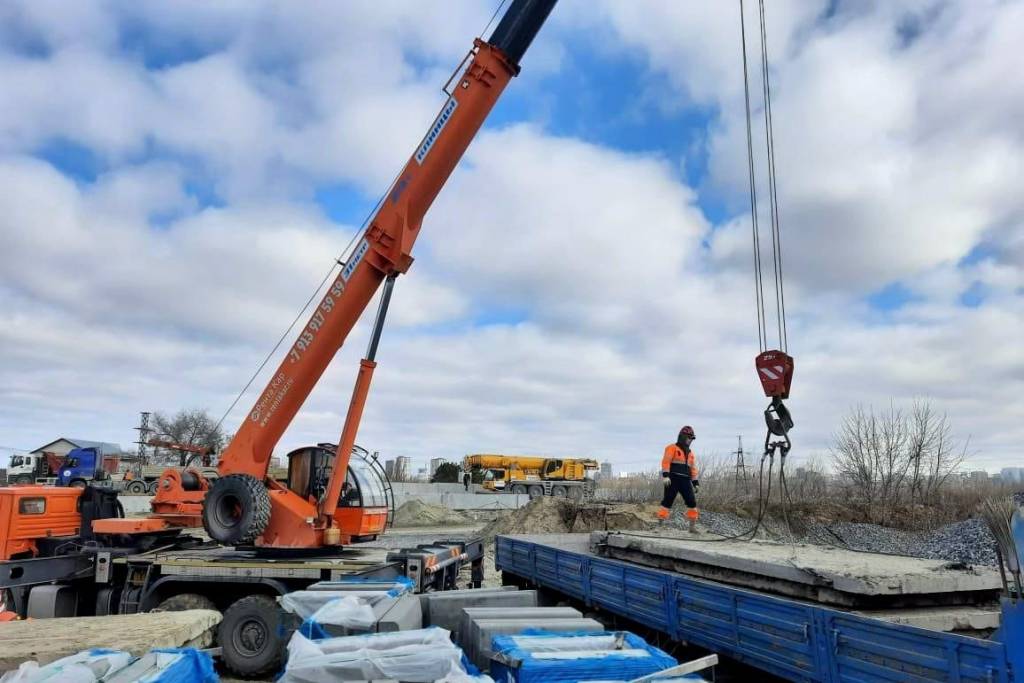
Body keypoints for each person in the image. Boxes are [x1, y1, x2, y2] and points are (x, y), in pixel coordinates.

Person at [657, 425, 700, 532]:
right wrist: (666, 476)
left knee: (692, 502)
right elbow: (666, 461)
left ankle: (692, 528)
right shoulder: (672, 448)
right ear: (682, 436)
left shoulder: (690, 454)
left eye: (691, 438)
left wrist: (695, 483)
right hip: (672, 479)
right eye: (689, 438)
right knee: (667, 501)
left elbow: (693, 469)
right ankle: (660, 526)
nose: (690, 440)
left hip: (685, 480)